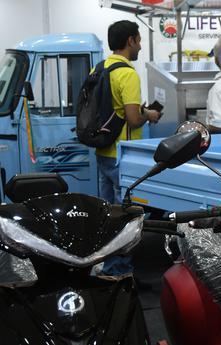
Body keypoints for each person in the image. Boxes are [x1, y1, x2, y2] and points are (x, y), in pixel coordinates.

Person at [96, 20, 161, 276]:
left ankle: (107, 264)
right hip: (122, 157)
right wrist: (150, 115)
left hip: (103, 152)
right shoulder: (127, 73)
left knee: (107, 216)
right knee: (124, 219)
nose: (141, 45)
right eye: (139, 40)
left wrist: (141, 111)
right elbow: (133, 119)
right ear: (131, 41)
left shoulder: (102, 68)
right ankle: (119, 270)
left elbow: (118, 110)